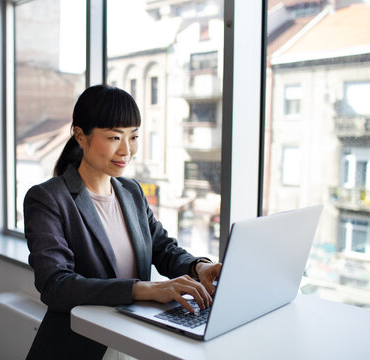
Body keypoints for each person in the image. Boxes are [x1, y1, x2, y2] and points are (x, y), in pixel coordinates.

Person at [23, 84, 221, 359]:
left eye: (134, 136)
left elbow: (162, 249)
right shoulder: (47, 199)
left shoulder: (131, 192)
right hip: (77, 347)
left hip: (132, 340)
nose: (127, 150)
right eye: (115, 137)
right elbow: (56, 286)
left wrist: (198, 267)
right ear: (81, 136)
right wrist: (145, 289)